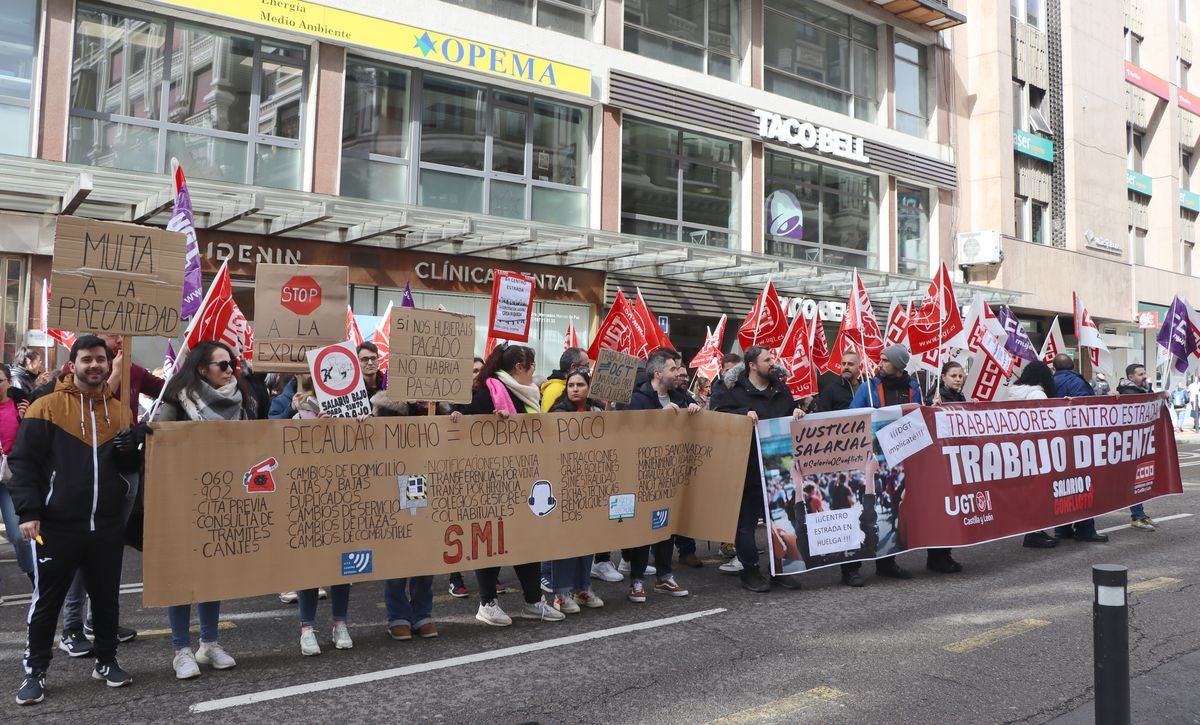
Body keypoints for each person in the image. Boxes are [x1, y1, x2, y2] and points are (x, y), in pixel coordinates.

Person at [10, 336, 139, 704]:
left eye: (101, 359)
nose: (95, 365)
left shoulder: (120, 411)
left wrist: (132, 452)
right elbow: (24, 462)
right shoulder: (45, 406)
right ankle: (35, 672)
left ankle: (107, 661)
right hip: (57, 525)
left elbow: (125, 470)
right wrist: (29, 511)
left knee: (106, 599)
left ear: (109, 364)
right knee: (47, 602)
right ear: (73, 364)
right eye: (87, 359)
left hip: (106, 525)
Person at [153, 341, 252, 676]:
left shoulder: (244, 400)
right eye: (223, 365)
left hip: (223, 496)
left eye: (233, 364)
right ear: (201, 369)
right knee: (180, 574)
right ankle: (181, 649)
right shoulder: (176, 399)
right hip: (181, 495)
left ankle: (209, 644)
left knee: (213, 571)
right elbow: (157, 444)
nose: (230, 370)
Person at [57, 333, 159, 653]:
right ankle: (72, 626)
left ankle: (99, 621)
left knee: (108, 551)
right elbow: (88, 406)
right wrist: (113, 372)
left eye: (122, 334)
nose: (119, 339)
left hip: (124, 472)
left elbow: (166, 392)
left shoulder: (136, 370)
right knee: (82, 549)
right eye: (111, 335)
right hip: (91, 471)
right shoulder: (74, 375)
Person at [450, 344, 564, 626]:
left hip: (523, 478)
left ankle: (533, 601)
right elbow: (464, 421)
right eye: (532, 365)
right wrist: (489, 420)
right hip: (490, 481)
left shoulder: (526, 393)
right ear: (518, 368)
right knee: (493, 541)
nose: (535, 370)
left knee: (527, 540)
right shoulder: (490, 390)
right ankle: (487, 604)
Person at [712, 346, 806, 593]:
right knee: (746, 525)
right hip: (748, 468)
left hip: (778, 467)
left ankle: (779, 570)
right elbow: (719, 417)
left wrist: (797, 413)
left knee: (780, 521)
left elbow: (788, 414)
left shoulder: (780, 388)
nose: (772, 363)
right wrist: (743, 414)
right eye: (767, 359)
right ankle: (750, 571)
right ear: (752, 365)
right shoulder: (734, 392)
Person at [620, 348, 696, 602]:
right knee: (644, 528)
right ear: (657, 372)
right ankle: (637, 581)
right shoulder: (637, 399)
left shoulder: (682, 398)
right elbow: (627, 433)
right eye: (673, 369)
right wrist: (658, 420)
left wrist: (694, 412)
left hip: (671, 473)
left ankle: (664, 576)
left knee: (666, 526)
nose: (678, 373)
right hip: (643, 474)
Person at [847, 344, 924, 581]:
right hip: (869, 459)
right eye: (880, 360)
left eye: (885, 361)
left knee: (893, 510)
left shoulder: (913, 388)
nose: (880, 364)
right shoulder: (868, 388)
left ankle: (886, 563)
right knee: (862, 512)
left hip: (898, 460)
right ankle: (851, 568)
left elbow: (917, 418)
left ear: (899, 366)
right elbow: (851, 416)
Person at [373, 391, 440, 640]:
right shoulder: (379, 415)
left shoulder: (431, 409)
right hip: (389, 483)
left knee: (422, 547)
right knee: (396, 550)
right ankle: (398, 615)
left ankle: (423, 613)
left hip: (417, 481)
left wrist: (452, 417)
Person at [546, 368, 607, 613]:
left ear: (589, 388)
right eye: (571, 385)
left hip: (590, 484)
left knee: (587, 539)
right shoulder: (558, 414)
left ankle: (582, 587)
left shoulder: (599, 413)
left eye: (580, 385)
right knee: (566, 541)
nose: (574, 389)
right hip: (564, 485)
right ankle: (561, 593)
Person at [1050, 354, 1107, 543]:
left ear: (1054, 367)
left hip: (1055, 444)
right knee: (1082, 485)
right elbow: (1087, 410)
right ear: (1073, 365)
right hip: (1077, 443)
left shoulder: (1049, 383)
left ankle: (1063, 528)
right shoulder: (1077, 382)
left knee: (1062, 486)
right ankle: (1085, 529)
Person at [1008, 362, 1062, 548]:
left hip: (1018, 449)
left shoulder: (1013, 392)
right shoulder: (1038, 394)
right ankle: (1034, 532)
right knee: (1039, 493)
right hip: (1037, 450)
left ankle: (1033, 530)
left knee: (1028, 493)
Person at [922, 362, 966, 574]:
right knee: (941, 511)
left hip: (954, 460)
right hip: (938, 464)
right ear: (943, 378)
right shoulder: (935, 399)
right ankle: (936, 556)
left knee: (952, 511)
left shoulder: (960, 397)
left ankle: (945, 553)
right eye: (953, 375)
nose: (958, 379)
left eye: (960, 375)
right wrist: (932, 408)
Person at [0, 367, 32, 592]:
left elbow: (32, 438)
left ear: (9, 381)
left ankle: (35, 579)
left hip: (12, 476)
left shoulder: (21, 402)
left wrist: (25, 419)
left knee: (20, 536)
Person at [1117, 364, 1159, 532]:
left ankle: (1139, 514)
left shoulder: (1141, 390)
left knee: (1138, 481)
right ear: (1131, 378)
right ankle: (1137, 516)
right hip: (1130, 446)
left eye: (1144, 373)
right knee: (1133, 482)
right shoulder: (1129, 393)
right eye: (1140, 374)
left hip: (1138, 444)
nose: (1145, 376)